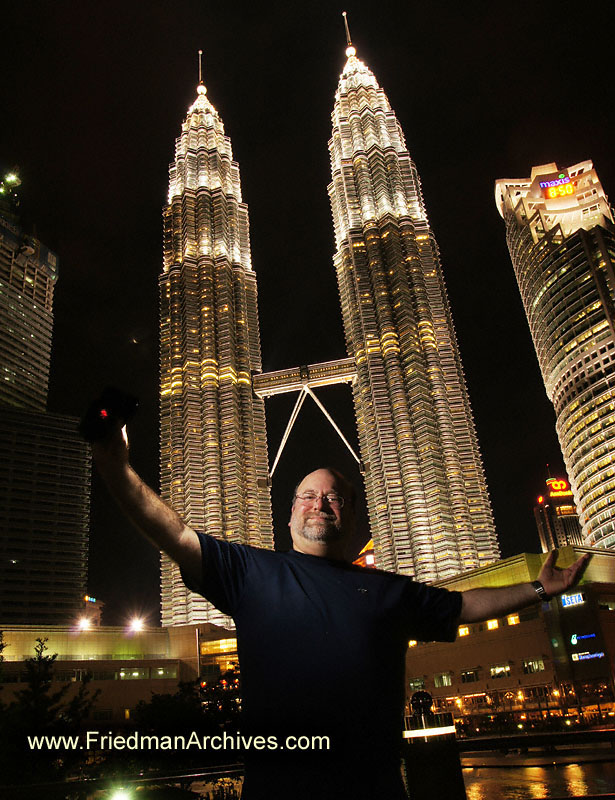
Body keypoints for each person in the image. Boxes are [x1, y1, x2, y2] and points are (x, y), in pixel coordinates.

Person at [92, 425, 590, 799]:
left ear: (352, 515)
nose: (319, 503)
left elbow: (462, 605)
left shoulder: (390, 591)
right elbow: (174, 534)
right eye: (307, 495)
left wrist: (537, 590)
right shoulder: (250, 572)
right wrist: (117, 468)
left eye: (333, 496)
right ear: (289, 515)